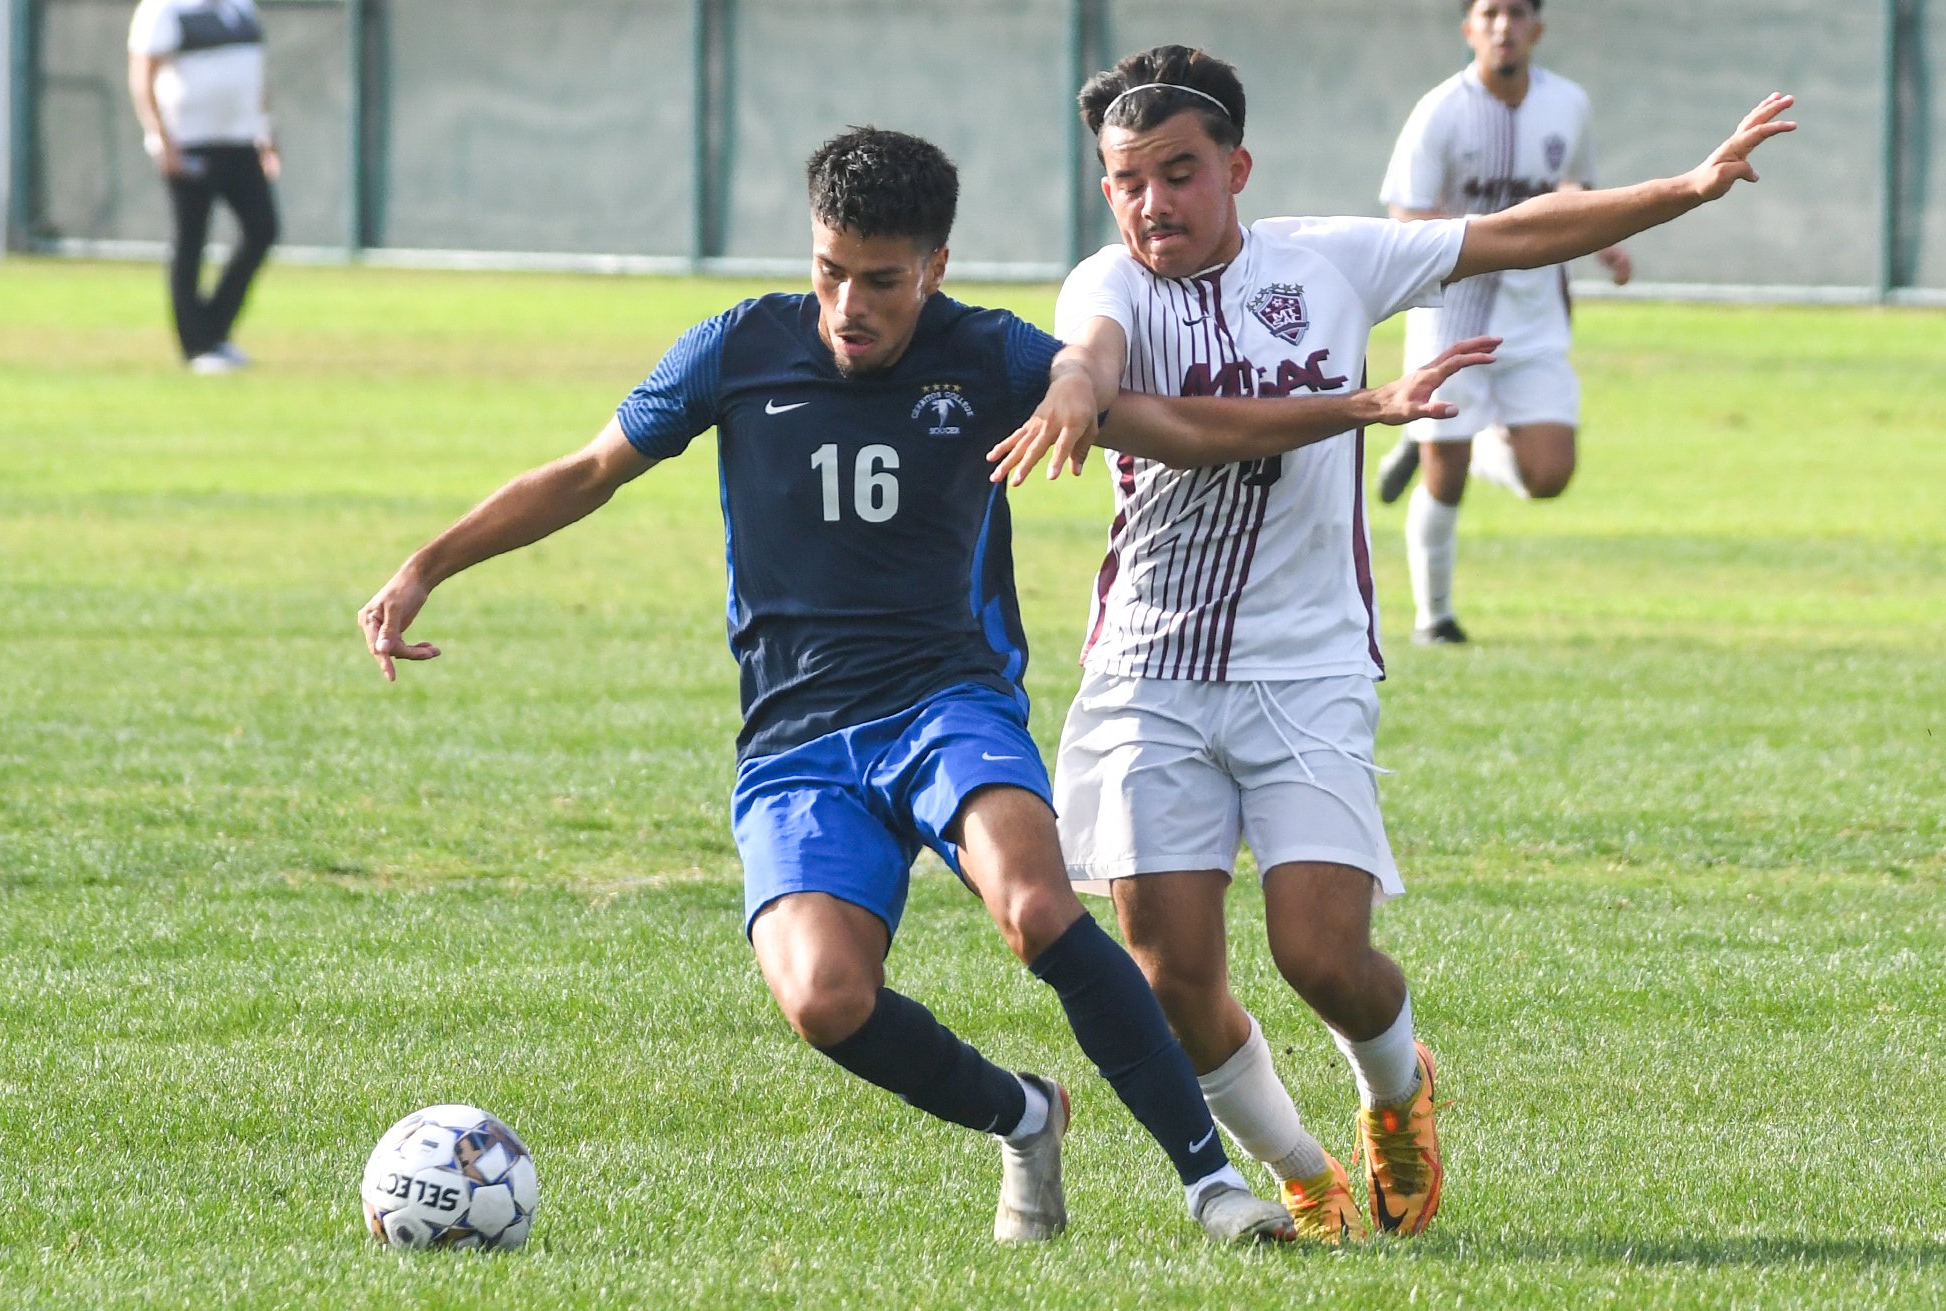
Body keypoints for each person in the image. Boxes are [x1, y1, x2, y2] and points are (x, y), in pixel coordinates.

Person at [356, 126, 1490, 1246]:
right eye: (829, 272)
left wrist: (1349, 405)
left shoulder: (985, 353)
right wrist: (424, 567)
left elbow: (1169, 425)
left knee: (1039, 910)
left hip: (950, 702)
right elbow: (587, 471)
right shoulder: (738, 348)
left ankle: (1213, 1185)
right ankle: (1024, 1114)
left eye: (881, 281)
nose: (849, 306)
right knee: (824, 1001)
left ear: (934, 266)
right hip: (796, 737)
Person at [990, 44, 1792, 1241]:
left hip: (1309, 664)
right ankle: (1298, 1171)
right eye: (1125, 179)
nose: (1150, 201)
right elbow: (1098, 363)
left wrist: (1684, 187)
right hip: (1147, 671)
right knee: (1173, 978)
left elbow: (1513, 234)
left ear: (1235, 169)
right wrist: (1072, 386)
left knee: (1320, 955)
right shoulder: (1103, 285)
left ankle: (1394, 1089)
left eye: (1178, 171)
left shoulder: (1327, 260)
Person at [1374, 0, 1632, 644]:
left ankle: (1468, 442)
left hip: (1536, 316)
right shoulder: (1440, 111)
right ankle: (1434, 619)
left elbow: (1576, 191)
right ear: (1469, 29)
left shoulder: (1567, 103)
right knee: (1446, 476)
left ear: (1536, 29)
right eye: (1489, 12)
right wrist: (1485, 241)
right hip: (1455, 315)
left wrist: (1605, 245)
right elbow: (1406, 216)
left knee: (1550, 477)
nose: (1502, 26)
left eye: (1517, 13)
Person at [126, 0, 280, 374]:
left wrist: (266, 130)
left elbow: (253, 73)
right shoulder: (163, 9)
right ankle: (196, 346)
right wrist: (161, 139)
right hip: (189, 142)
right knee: (191, 238)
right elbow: (142, 74)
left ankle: (214, 332)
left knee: (262, 228)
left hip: (240, 141)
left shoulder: (241, 6)